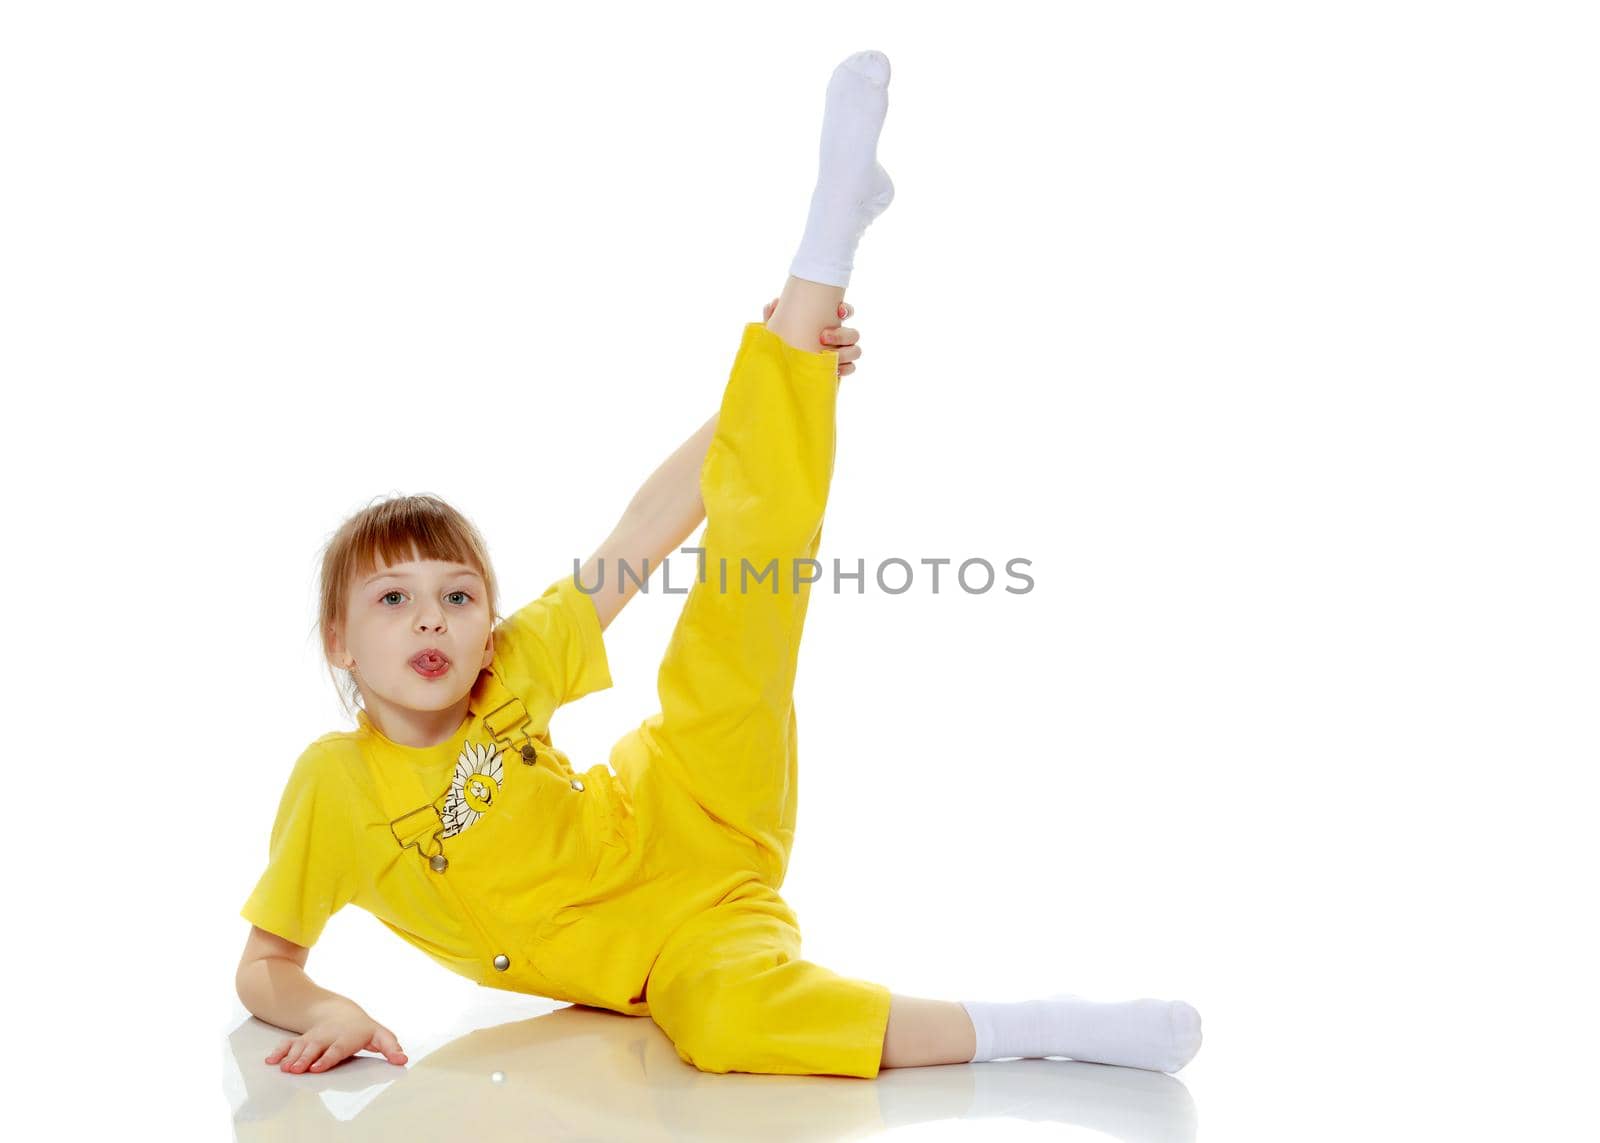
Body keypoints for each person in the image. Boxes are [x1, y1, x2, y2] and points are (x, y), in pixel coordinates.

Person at [236, 49, 1203, 1081]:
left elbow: (647, 524)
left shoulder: (510, 666)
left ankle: (821, 252)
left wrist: (783, 361)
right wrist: (325, 1005)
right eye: (393, 599)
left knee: (749, 596)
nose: (433, 619)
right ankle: (1047, 1027)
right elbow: (264, 964)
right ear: (338, 638)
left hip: (692, 801)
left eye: (457, 595)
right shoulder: (334, 786)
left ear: (487, 619)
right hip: (676, 946)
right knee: (732, 1028)